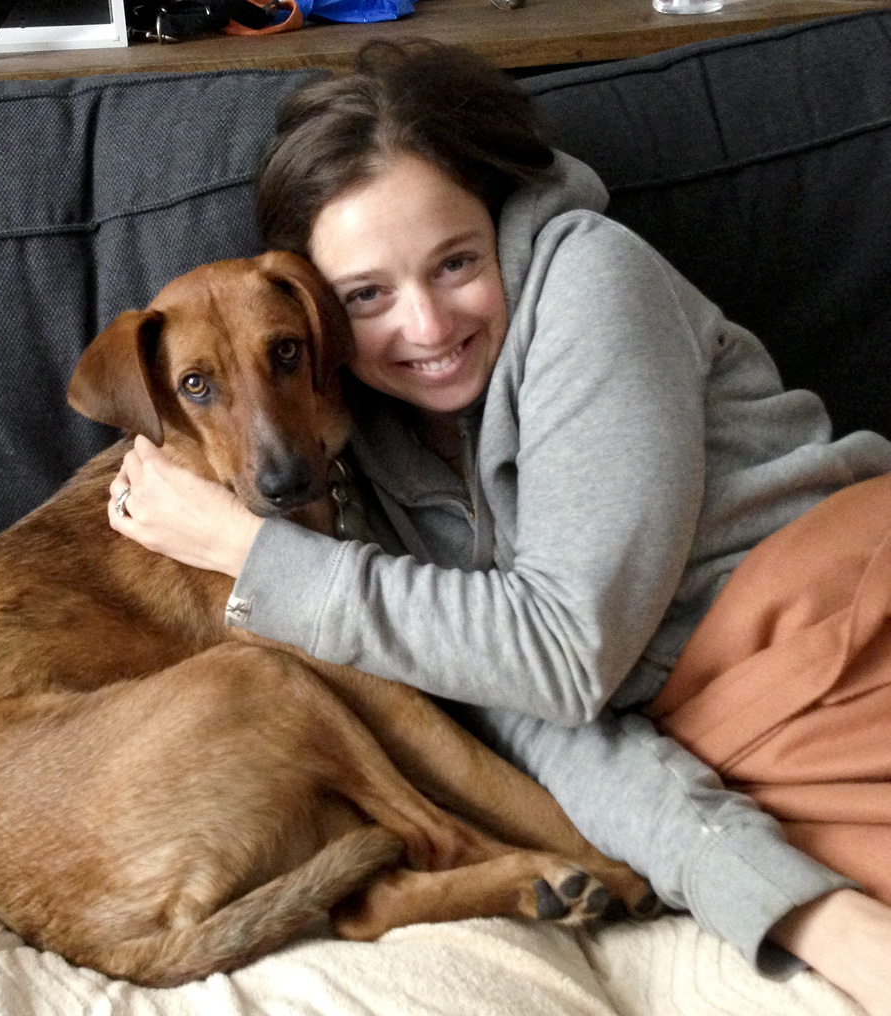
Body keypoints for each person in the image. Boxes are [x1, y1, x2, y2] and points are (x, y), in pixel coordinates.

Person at [108, 41, 891, 1015]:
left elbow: (561, 652)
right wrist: (794, 906)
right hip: (728, 733)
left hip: (845, 617)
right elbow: (540, 715)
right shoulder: (363, 446)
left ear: (497, 221)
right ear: (322, 310)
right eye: (368, 296)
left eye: (455, 263)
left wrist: (253, 553)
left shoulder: (589, 282)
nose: (427, 325)